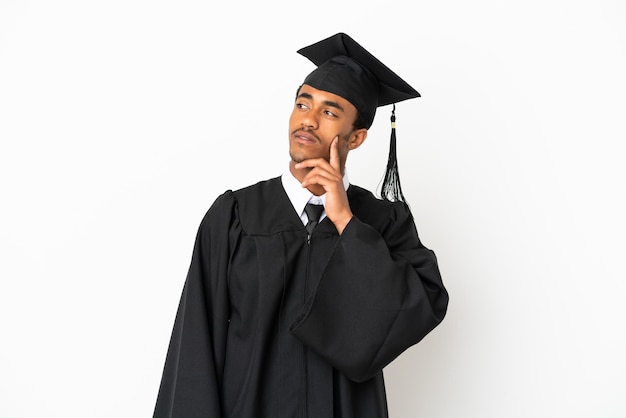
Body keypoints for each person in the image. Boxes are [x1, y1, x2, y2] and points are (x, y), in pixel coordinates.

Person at [153, 32, 448, 418]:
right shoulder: (236, 214)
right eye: (302, 104)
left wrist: (344, 221)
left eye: (329, 111)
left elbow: (416, 309)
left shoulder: (383, 222)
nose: (308, 119)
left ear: (356, 137)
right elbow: (195, 341)